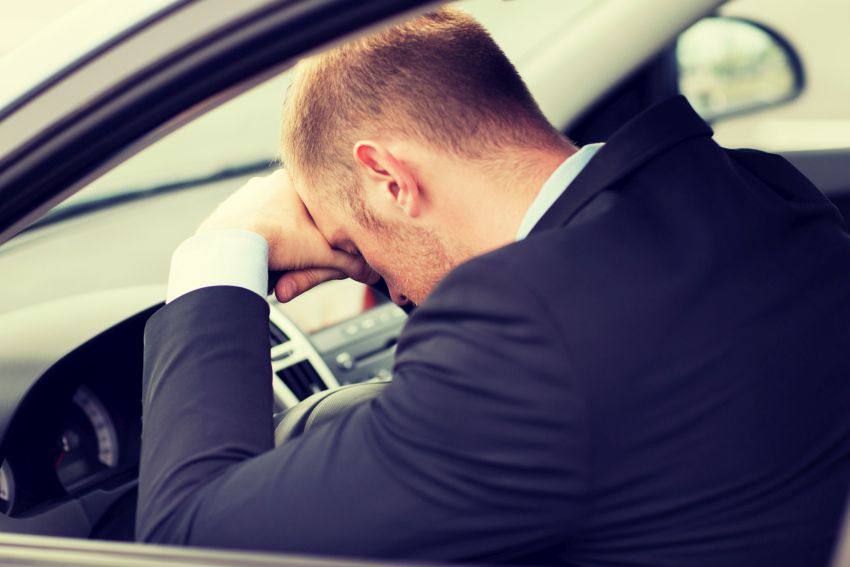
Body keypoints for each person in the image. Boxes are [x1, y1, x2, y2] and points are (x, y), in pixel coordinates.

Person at [136, 8, 850, 566]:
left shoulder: (531, 332)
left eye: (361, 251)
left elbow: (185, 542)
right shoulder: (752, 189)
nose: (394, 294)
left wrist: (220, 250)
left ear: (390, 177)